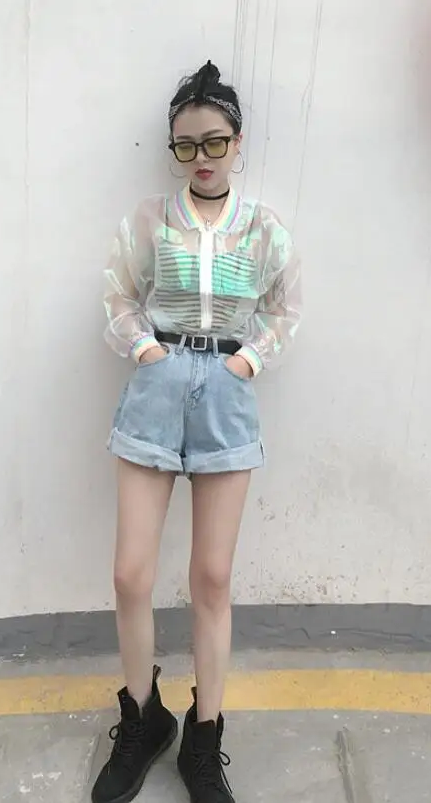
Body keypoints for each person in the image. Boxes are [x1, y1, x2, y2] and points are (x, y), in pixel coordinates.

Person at [91, 60, 303, 803]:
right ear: (173, 149)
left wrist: (247, 361)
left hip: (225, 396)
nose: (202, 157)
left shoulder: (263, 228)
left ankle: (204, 734)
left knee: (212, 577)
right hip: (155, 390)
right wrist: (146, 352)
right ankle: (142, 717)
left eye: (214, 142)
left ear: (237, 143)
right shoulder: (149, 220)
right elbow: (118, 293)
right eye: (186, 145)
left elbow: (285, 308)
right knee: (130, 574)